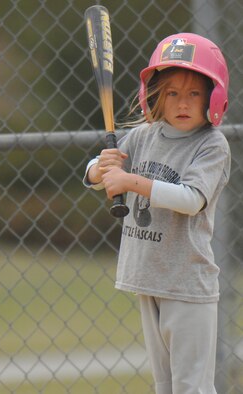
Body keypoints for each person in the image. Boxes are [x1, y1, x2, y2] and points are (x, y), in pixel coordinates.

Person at [84, 33, 230, 394]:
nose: (182, 103)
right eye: (172, 93)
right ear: (155, 97)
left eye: (194, 93)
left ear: (213, 97)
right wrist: (99, 169)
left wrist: (132, 181)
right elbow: (96, 177)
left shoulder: (212, 144)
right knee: (164, 386)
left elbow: (192, 199)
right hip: (148, 277)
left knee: (191, 386)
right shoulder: (143, 136)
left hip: (186, 283)